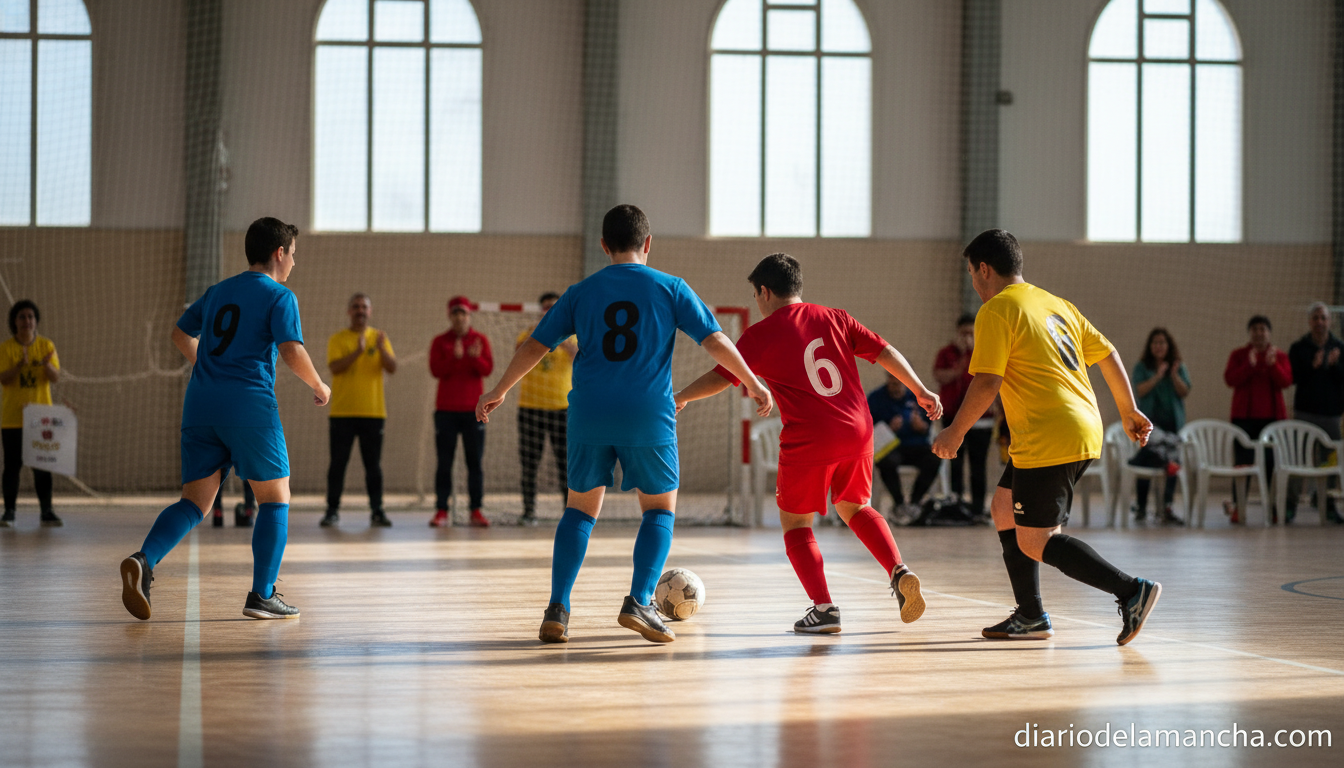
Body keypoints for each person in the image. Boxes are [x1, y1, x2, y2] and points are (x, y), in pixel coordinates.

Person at [477, 204, 771, 645]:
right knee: (658, 510)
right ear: (648, 243)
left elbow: (537, 345)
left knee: (578, 509)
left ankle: (558, 607)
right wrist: (752, 381)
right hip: (647, 413)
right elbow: (715, 340)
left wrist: (499, 387)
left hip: (588, 412)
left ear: (603, 246)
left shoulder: (580, 292)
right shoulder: (671, 287)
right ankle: (639, 600)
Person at [677, 253, 939, 634]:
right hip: (858, 428)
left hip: (811, 436)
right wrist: (920, 389)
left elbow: (722, 375)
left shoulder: (760, 335)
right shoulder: (836, 317)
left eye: (755, 295)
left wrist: (681, 395)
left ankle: (824, 608)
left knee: (797, 523)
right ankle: (899, 569)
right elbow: (885, 352)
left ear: (764, 292)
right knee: (855, 506)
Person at [932, 229, 1161, 646]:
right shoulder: (1056, 304)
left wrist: (954, 431)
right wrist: (1127, 410)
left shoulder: (997, 310)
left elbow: (986, 382)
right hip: (1079, 427)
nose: (973, 283)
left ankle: (1131, 591)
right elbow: (1107, 354)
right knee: (1004, 507)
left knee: (1037, 540)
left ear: (984, 269)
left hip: (1049, 434)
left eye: (971, 273)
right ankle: (1031, 615)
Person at [119, 217, 331, 621]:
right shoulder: (279, 295)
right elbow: (290, 351)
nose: (293, 264)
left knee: (195, 502)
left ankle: (144, 560)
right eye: (293, 255)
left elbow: (180, 334)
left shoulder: (218, 292)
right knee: (275, 498)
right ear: (279, 253)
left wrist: (211, 370)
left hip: (200, 405)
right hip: (248, 406)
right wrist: (319, 386)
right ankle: (262, 595)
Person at [322, 293, 397, 528]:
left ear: (370, 311)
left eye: (364, 307)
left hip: (373, 413)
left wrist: (382, 350)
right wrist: (357, 351)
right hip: (342, 414)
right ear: (349, 311)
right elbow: (335, 368)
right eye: (355, 306)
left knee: (373, 466)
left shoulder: (380, 337)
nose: (360, 311)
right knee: (338, 464)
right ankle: (332, 510)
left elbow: (392, 367)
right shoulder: (338, 339)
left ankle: (377, 510)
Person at [429, 296, 493, 527]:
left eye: (463, 313)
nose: (459, 317)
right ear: (449, 316)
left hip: (473, 411)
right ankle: (441, 510)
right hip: (446, 411)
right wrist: (454, 359)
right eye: (455, 313)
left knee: (474, 462)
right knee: (444, 462)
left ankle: (476, 510)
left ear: (469, 316)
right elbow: (435, 370)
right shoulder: (440, 341)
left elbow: (487, 369)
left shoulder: (480, 340)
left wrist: (474, 359)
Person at [1223, 315, 1292, 523]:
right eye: (1255, 329)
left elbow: (1286, 381)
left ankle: (1273, 508)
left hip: (1271, 421)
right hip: (1244, 419)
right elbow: (1230, 379)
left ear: (1269, 333)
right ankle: (1238, 508)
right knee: (1242, 465)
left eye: (1263, 329)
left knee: (1271, 465)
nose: (1259, 333)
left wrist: (1272, 365)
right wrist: (1249, 366)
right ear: (1250, 333)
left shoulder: (1278, 355)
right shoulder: (1239, 355)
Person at [515, 291, 575, 526]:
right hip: (531, 407)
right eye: (545, 307)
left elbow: (583, 358)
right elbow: (519, 353)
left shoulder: (573, 336)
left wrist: (566, 344)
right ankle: (528, 511)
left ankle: (570, 512)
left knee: (566, 464)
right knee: (530, 462)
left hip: (562, 408)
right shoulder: (530, 333)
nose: (549, 310)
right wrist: (536, 334)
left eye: (554, 307)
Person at [0, 300, 62, 527]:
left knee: (43, 465)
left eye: (30, 317)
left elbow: (55, 377)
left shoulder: (46, 346)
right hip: (13, 418)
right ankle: (9, 512)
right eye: (22, 317)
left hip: (41, 419)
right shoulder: (6, 348)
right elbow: (3, 379)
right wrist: (19, 366)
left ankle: (47, 511)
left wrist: (46, 366)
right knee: (12, 465)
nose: (27, 321)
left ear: (36, 322)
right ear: (14, 322)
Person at [1286, 303, 1343, 524]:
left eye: (1323, 318)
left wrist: (1334, 366)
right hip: (1305, 414)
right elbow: (1292, 378)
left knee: (1329, 464)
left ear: (1330, 321)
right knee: (1296, 461)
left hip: (1331, 415)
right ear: (1310, 322)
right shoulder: (1299, 348)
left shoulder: (1339, 347)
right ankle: (1290, 505)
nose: (1320, 322)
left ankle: (1326, 504)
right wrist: (1314, 365)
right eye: (1315, 318)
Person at [1130, 328, 1191, 525]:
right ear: (1150, 346)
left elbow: (1184, 391)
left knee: (1170, 461)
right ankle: (1141, 505)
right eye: (1155, 343)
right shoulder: (1142, 367)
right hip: (1150, 424)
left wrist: (1172, 375)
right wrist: (1157, 375)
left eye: (1162, 343)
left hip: (1172, 425)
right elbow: (1139, 391)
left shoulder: (1177, 366)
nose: (1158, 346)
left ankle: (1167, 506)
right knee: (1149, 460)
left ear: (1169, 345)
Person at [934, 313, 993, 515]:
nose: (967, 337)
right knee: (955, 461)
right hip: (952, 415)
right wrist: (960, 362)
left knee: (978, 465)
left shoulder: (985, 351)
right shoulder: (947, 353)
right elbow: (939, 376)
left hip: (982, 419)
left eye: (971, 333)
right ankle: (957, 504)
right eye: (963, 333)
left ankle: (977, 508)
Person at [867, 373, 941, 521]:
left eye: (899, 384)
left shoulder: (918, 397)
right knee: (886, 461)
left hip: (916, 445)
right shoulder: (876, 398)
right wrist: (889, 428)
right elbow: (868, 427)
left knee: (935, 457)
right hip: (890, 446)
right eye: (893, 384)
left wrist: (921, 426)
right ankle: (899, 503)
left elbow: (929, 425)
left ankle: (915, 502)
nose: (896, 388)